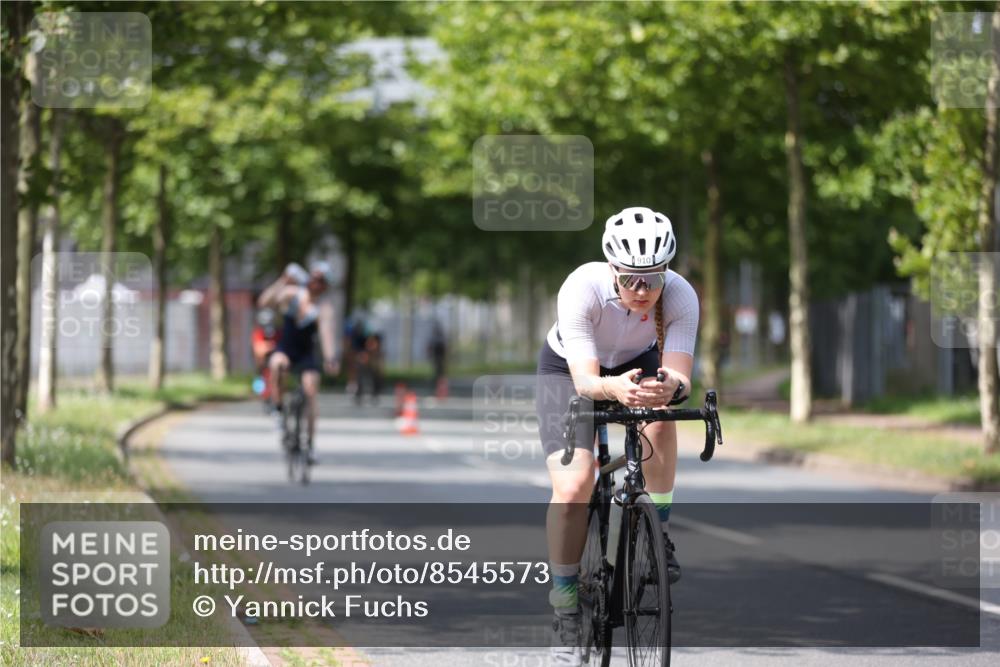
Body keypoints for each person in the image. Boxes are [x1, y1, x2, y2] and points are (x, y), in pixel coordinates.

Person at [536, 206, 699, 665]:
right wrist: (613, 389)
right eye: (630, 279)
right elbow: (587, 381)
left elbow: (681, 375)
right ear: (612, 268)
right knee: (574, 486)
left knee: (662, 417)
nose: (642, 290)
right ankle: (566, 605)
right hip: (570, 371)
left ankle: (658, 532)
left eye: (653, 278)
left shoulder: (680, 295)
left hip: (638, 361)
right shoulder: (581, 288)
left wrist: (670, 386)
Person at [257, 261, 340, 464]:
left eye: (321, 281)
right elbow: (264, 302)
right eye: (314, 278)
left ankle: (310, 445)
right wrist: (282, 280)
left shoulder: (323, 308)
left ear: (325, 286)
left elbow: (326, 334)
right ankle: (278, 409)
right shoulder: (292, 294)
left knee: (311, 391)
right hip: (286, 349)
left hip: (306, 354)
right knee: (277, 364)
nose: (316, 283)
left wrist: (330, 358)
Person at [250, 307, 281, 402]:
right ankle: (263, 390)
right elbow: (258, 349)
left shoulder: (277, 332)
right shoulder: (258, 332)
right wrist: (269, 346)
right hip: (263, 361)